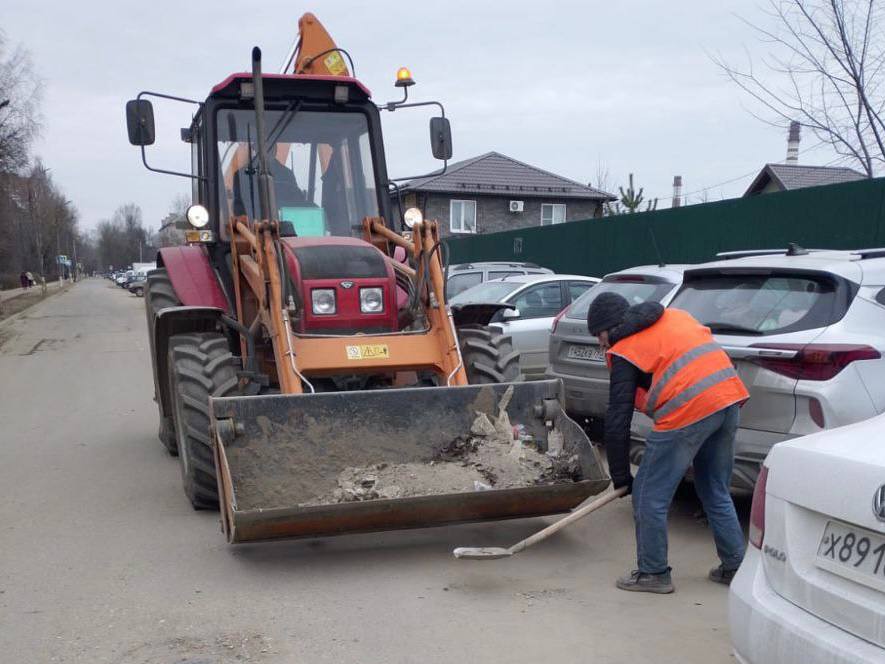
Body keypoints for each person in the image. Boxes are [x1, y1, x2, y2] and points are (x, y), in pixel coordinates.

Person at [587, 292, 750, 594]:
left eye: (599, 334)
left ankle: (653, 573)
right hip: (728, 399)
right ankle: (735, 566)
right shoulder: (675, 316)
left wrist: (621, 475)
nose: (600, 343)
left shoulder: (626, 349)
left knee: (649, 496)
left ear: (611, 327)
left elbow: (618, 417)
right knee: (714, 489)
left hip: (688, 409)